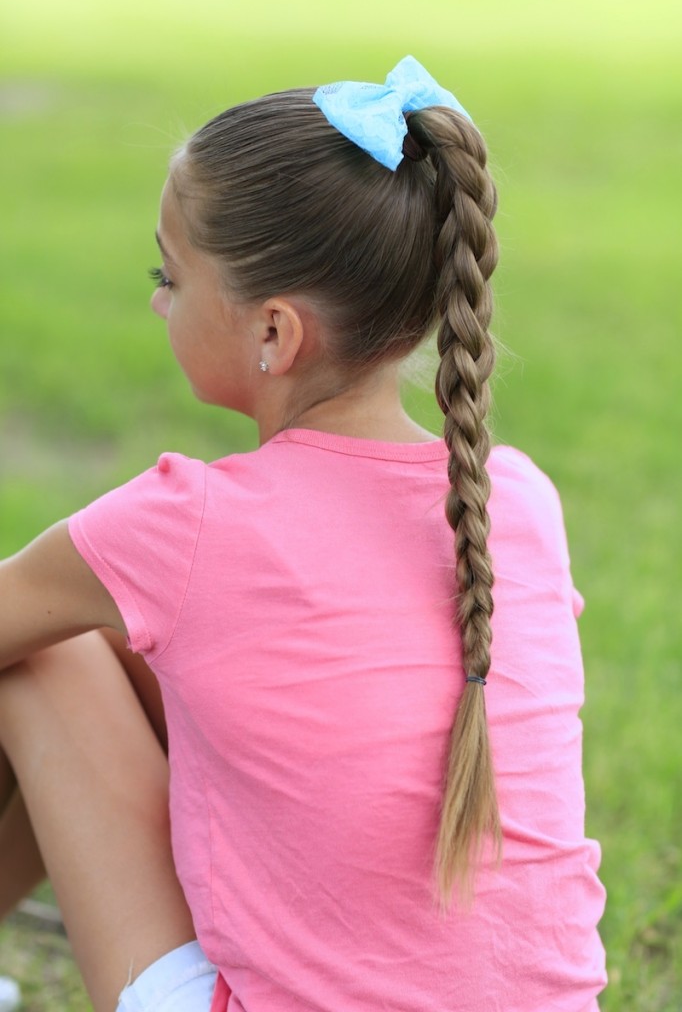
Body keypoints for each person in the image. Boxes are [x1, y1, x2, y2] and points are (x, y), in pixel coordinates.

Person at [0, 57, 606, 1012]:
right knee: (134, 640)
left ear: (275, 333)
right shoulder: (512, 497)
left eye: (172, 275)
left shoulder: (184, 525)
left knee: (48, 650)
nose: (160, 300)